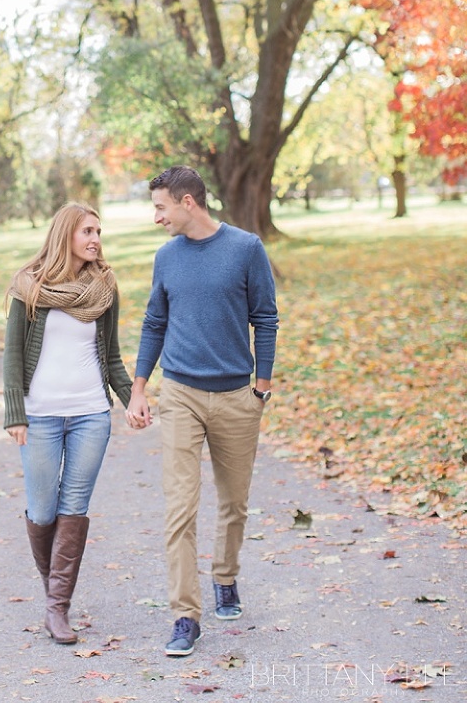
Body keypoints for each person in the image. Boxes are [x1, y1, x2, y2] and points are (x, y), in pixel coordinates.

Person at [126, 166, 278, 658]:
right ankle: (185, 615)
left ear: (188, 202)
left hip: (237, 397)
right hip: (181, 395)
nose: (156, 217)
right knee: (179, 507)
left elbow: (266, 317)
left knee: (233, 503)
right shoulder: (166, 257)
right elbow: (154, 322)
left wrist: (261, 388)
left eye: (161, 207)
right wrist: (140, 389)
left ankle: (226, 579)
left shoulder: (246, 249)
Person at [3, 202, 134, 644]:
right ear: (66, 236)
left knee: (72, 508)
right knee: (42, 511)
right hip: (39, 416)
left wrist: (133, 397)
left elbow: (111, 356)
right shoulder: (30, 287)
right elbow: (12, 356)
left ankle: (57, 608)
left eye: (99, 230)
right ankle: (53, 595)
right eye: (87, 231)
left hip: (91, 415)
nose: (96, 239)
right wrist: (14, 414)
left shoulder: (104, 288)